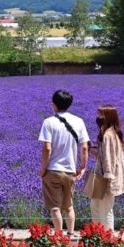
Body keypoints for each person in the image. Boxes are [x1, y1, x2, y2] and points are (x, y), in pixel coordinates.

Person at [38, 89, 90, 236]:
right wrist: (83, 167)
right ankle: (71, 234)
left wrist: (43, 168)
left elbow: (47, 149)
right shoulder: (79, 121)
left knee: (54, 206)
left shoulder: (48, 122)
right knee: (68, 206)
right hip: (70, 170)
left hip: (52, 170)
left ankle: (58, 235)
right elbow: (85, 147)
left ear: (54, 104)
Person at [88, 105, 124, 231]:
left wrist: (108, 179)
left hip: (106, 177)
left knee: (105, 210)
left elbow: (109, 158)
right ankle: (97, 234)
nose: (97, 118)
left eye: (100, 115)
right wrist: (90, 148)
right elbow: (103, 155)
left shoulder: (108, 135)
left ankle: (107, 238)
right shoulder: (109, 133)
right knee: (95, 206)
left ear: (107, 117)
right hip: (102, 175)